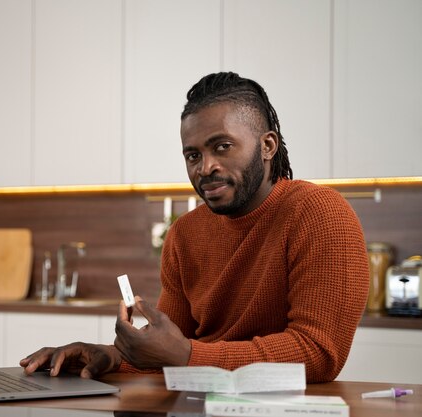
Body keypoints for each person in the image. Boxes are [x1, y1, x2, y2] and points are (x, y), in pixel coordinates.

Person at [20, 71, 369, 383]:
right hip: (201, 402)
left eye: (222, 146)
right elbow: (168, 349)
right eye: (193, 155)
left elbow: (318, 353)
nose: (205, 167)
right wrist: (110, 357)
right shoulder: (184, 234)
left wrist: (188, 356)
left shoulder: (321, 213)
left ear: (267, 146)